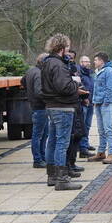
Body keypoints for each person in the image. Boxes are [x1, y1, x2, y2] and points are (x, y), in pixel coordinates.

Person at [40, 34, 81, 191]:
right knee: (62, 142)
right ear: (62, 48)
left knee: (53, 141)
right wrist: (75, 84)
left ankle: (52, 175)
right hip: (63, 107)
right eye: (68, 48)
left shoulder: (47, 63)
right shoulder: (58, 65)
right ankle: (62, 179)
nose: (69, 52)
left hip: (51, 106)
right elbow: (64, 87)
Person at [22, 53, 49, 172]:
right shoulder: (39, 73)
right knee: (39, 135)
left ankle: (42, 158)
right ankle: (38, 160)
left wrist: (29, 91)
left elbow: (22, 81)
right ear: (43, 62)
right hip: (40, 107)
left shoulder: (30, 71)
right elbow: (39, 92)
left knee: (42, 134)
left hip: (36, 107)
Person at [89, 52, 112, 164]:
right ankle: (101, 152)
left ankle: (111, 153)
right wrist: (95, 101)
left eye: (95, 60)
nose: (94, 62)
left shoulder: (109, 72)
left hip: (106, 105)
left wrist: (105, 103)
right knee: (101, 130)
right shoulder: (98, 72)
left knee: (108, 130)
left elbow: (110, 89)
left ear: (101, 61)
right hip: (98, 103)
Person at [77, 55, 95, 157]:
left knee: (87, 125)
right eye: (85, 61)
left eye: (89, 61)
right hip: (83, 103)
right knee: (82, 126)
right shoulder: (79, 74)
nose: (88, 63)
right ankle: (82, 148)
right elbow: (80, 87)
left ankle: (85, 144)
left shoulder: (89, 74)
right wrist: (85, 98)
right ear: (80, 62)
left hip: (91, 103)